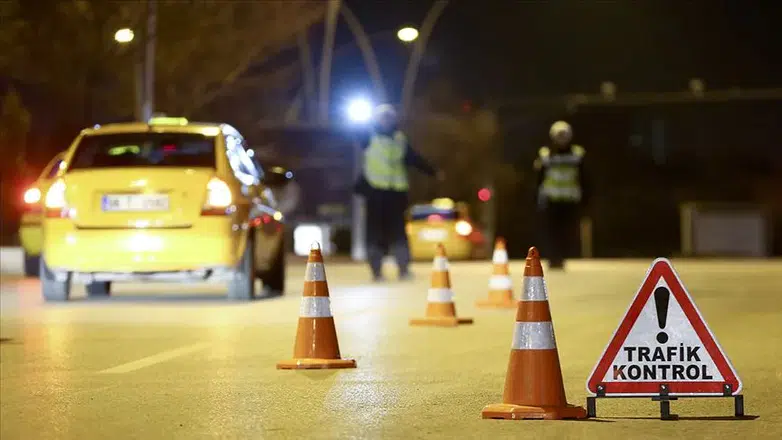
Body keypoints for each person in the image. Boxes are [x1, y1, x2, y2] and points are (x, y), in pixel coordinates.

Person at [354, 104, 444, 281]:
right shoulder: (368, 137)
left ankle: (403, 268)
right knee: (375, 232)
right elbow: (354, 131)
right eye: (382, 118)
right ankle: (376, 270)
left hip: (396, 193)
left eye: (389, 117)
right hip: (375, 192)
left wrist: (433, 171)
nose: (386, 121)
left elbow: (414, 159)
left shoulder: (399, 140)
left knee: (398, 232)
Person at [533, 120, 591, 270]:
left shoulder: (578, 154)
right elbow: (538, 179)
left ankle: (562, 256)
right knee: (552, 231)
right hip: (551, 200)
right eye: (559, 136)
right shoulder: (545, 155)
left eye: (564, 135)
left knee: (567, 232)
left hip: (570, 200)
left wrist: (586, 197)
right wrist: (537, 198)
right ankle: (554, 258)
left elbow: (585, 178)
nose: (562, 139)